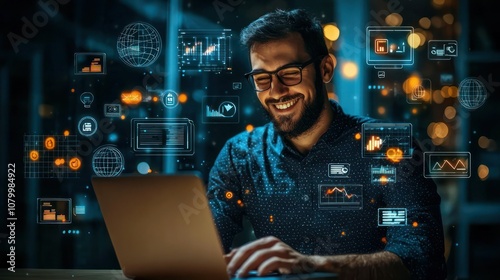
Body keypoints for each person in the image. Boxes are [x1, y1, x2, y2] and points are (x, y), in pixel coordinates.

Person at [207, 8, 447, 280]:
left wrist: (313, 266)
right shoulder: (239, 156)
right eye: (263, 79)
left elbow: (420, 260)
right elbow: (201, 254)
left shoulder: (388, 147)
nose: (275, 91)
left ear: (325, 69)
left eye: (290, 73)